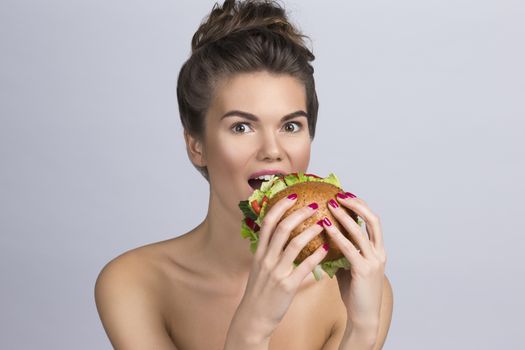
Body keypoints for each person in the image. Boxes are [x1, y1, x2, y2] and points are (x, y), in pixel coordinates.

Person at [94, 0, 393, 349]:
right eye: (241, 127)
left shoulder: (358, 291)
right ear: (197, 146)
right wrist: (252, 329)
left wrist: (363, 329)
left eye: (291, 125)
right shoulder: (133, 282)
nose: (272, 149)